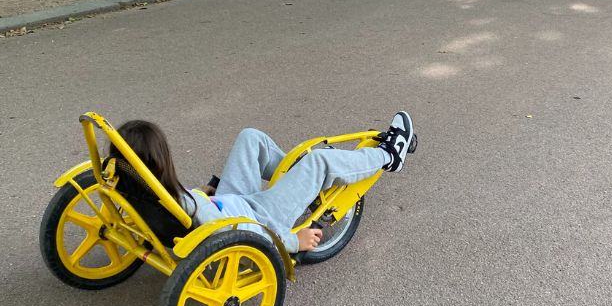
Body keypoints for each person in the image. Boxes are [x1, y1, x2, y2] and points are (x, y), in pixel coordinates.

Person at [109, 113, 415, 255]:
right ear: (162, 163)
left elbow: (193, 206)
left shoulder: (143, 190)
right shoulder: (177, 201)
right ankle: (388, 155)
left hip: (222, 207)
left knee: (250, 138)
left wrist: (199, 195)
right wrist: (295, 241)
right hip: (255, 217)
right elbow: (249, 232)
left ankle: (302, 182)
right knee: (318, 162)